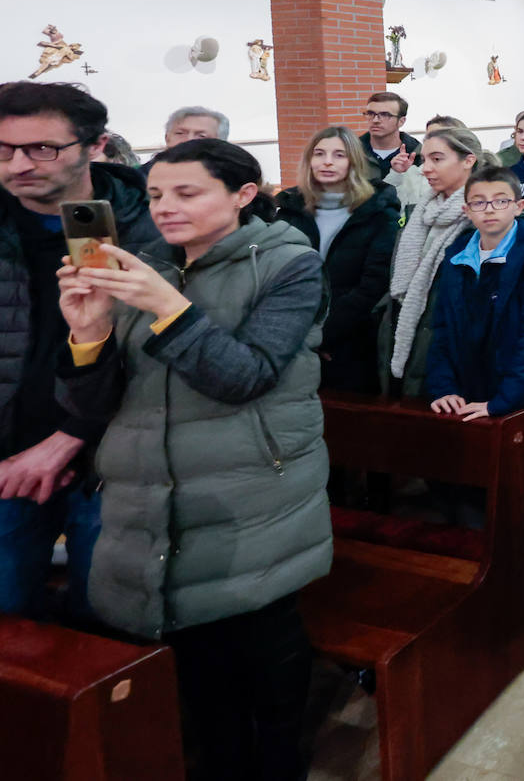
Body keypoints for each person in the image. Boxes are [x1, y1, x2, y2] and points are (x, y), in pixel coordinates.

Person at [57, 138, 330, 779]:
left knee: (265, 663)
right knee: (200, 676)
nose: (165, 208)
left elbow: (246, 376)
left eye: (187, 193)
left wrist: (163, 306)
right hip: (150, 493)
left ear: (242, 196)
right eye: (155, 195)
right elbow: (93, 406)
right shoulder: (144, 264)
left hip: (254, 497)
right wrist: (90, 332)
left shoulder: (288, 264)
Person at [0, 82, 159, 621]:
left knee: (106, 626)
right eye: (3, 149)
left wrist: (68, 439)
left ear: (96, 147)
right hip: (8, 459)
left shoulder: (156, 226)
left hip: (113, 461)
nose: (19, 163)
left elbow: (162, 360)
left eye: (42, 148)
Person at [427, 164, 524, 542]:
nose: (489, 209)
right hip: (475, 384)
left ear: (519, 206)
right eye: (479, 202)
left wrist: (504, 401)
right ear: (466, 210)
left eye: (500, 201)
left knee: (517, 482)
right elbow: (441, 327)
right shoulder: (458, 255)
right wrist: (443, 384)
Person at [275, 126, 400, 394]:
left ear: (354, 162)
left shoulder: (378, 211)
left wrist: (322, 337)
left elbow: (372, 284)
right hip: (290, 342)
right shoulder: (288, 210)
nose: (327, 161)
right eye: (319, 154)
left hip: (349, 342)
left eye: (339, 155)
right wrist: (299, 337)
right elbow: (276, 279)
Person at [384, 127, 493, 396]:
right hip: (414, 341)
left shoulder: (486, 222)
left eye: (437, 159)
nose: (425, 169)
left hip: (457, 358)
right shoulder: (421, 213)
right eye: (424, 160)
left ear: (468, 161)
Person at [139, 107, 230, 175]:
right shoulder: (137, 179)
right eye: (180, 133)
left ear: (220, 142)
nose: (189, 140)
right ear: (167, 138)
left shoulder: (234, 178)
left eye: (201, 136)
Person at [358, 92, 422, 183]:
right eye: (370, 113)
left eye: (385, 115)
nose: (375, 120)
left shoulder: (418, 154)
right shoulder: (351, 152)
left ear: (401, 121)